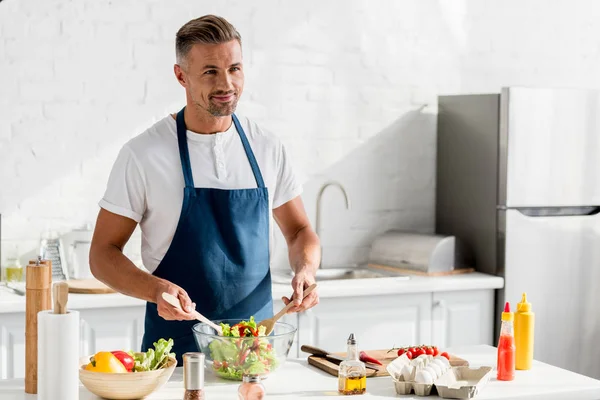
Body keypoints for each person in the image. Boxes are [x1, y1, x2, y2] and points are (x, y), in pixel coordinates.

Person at [89, 14, 320, 361]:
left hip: (254, 355)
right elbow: (102, 255)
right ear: (181, 76)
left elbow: (300, 230)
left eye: (235, 69)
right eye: (210, 71)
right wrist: (155, 290)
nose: (226, 83)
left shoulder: (267, 147)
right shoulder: (143, 154)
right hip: (175, 357)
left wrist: (306, 270)